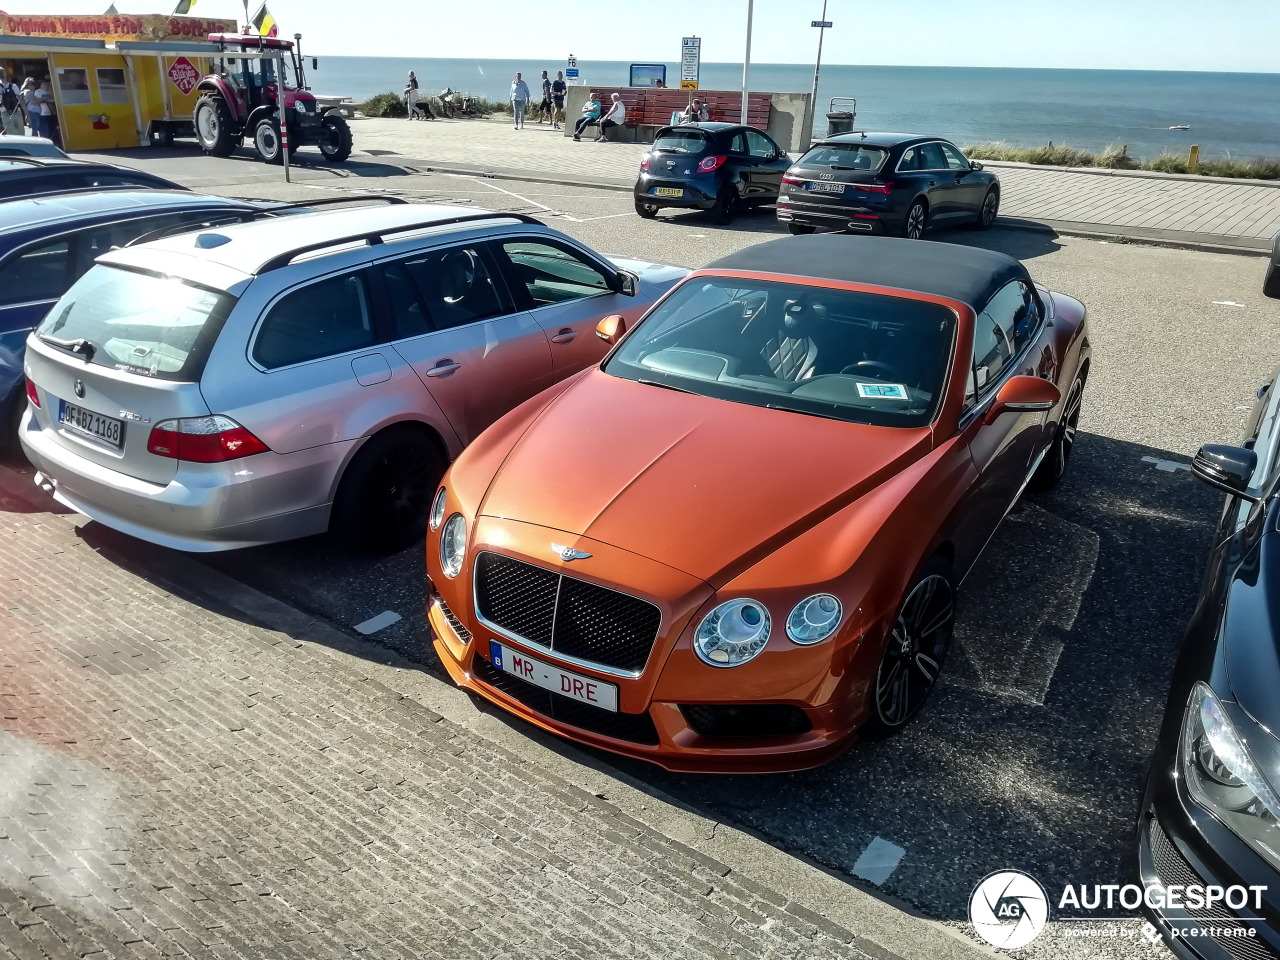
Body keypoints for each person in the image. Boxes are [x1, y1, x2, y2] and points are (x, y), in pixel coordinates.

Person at [0, 70, 25, 136]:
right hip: (17, 112)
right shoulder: (14, 86)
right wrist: (26, 114)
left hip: (5, 113)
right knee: (21, 134)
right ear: (5, 74)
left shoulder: (13, 86)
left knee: (13, 135)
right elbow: (21, 101)